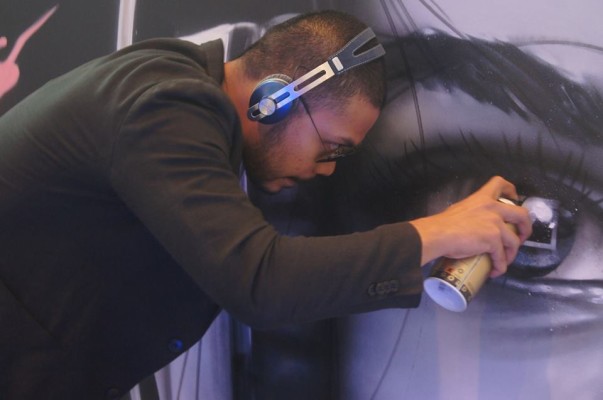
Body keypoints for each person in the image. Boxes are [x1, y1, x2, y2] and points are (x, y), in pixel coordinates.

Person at [0, 9, 531, 400]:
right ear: (274, 100)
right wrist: (439, 231)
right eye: (333, 148)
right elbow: (260, 281)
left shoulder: (178, 92)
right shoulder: (164, 106)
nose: (327, 170)